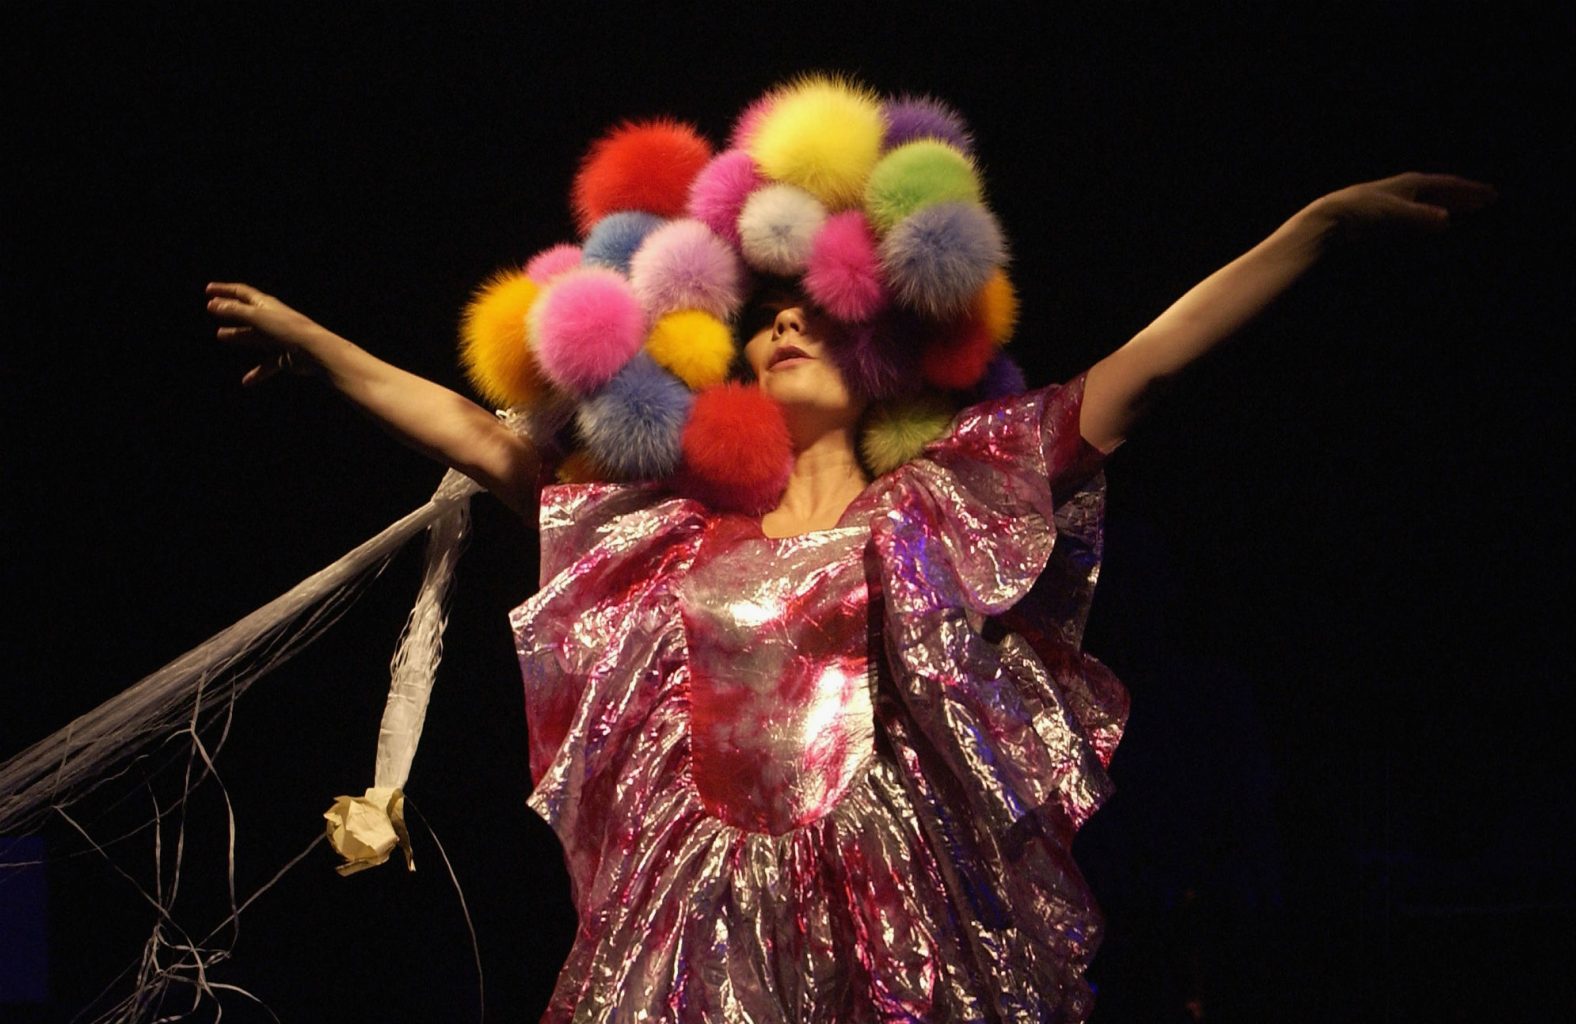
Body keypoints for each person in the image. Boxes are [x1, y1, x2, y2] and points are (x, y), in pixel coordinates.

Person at [205, 79, 1491, 1020]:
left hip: (889, 907)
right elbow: (484, 442)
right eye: (762, 320)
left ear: (878, 349)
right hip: (696, 914)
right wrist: (318, 346)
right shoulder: (674, 533)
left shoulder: (938, 499)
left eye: (809, 315)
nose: (782, 329)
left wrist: (1315, 227)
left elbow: (1142, 371)